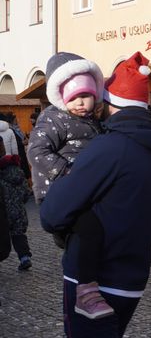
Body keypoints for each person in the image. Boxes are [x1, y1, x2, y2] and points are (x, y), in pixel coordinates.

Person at [40, 51, 151, 336]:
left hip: (95, 279)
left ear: (111, 103)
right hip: (132, 280)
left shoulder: (109, 148)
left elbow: (52, 214)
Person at [27, 52, 108, 318]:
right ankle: (85, 293)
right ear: (62, 97)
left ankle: (88, 281)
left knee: (87, 241)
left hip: (87, 192)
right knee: (86, 232)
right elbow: (37, 151)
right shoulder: (53, 118)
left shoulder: (94, 121)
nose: (81, 103)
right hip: (61, 192)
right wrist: (69, 174)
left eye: (85, 96)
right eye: (74, 98)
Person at [0, 140, 32, 270]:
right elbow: (25, 191)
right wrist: (20, 202)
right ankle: (25, 257)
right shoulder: (17, 171)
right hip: (18, 209)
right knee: (19, 234)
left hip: (4, 211)